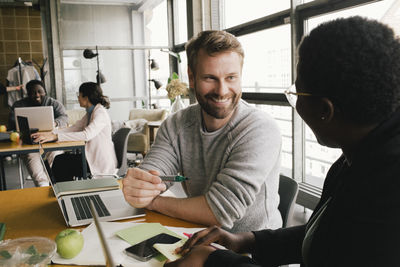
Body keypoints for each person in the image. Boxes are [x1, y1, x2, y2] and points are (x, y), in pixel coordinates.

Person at [164, 16, 400, 267]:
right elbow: (329, 238)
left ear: (324, 110)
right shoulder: (360, 155)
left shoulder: (388, 193)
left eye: (296, 93)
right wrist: (246, 240)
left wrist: (212, 261)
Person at [122, 30, 282, 233]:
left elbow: (219, 212)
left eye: (231, 78)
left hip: (251, 252)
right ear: (191, 77)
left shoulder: (260, 128)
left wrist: (153, 202)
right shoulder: (176, 124)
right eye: (210, 78)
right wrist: (140, 186)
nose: (222, 90)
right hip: (199, 235)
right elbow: (153, 174)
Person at [32, 82, 117, 181]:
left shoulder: (100, 113)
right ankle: (65, 191)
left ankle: (66, 192)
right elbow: (75, 128)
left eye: (79, 95)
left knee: (60, 163)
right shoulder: (90, 112)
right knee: (60, 161)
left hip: (99, 161)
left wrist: (55, 137)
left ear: (86, 97)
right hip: (91, 156)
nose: (78, 98)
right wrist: (51, 134)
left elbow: (86, 135)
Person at [8, 80, 68, 187]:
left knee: (55, 157)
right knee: (34, 165)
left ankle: (54, 183)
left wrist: (55, 122)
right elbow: (12, 122)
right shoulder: (19, 105)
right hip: (29, 144)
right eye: (33, 92)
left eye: (40, 91)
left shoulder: (53, 103)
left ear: (45, 91)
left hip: (51, 142)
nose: (37, 95)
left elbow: (64, 117)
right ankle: (43, 186)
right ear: (27, 93)